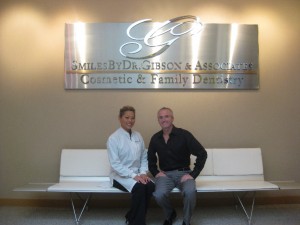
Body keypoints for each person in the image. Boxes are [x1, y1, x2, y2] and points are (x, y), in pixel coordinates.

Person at [148, 107, 207, 225]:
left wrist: (192, 174)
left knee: (190, 192)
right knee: (158, 195)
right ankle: (170, 214)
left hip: (184, 173)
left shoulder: (184, 135)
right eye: (161, 117)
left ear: (172, 118)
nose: (164, 119)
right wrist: (156, 173)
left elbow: (202, 153)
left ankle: (186, 221)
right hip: (165, 175)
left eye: (167, 116)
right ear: (158, 120)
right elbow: (151, 160)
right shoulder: (155, 138)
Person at [107, 106, 154, 225]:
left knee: (150, 186)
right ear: (120, 118)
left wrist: (143, 173)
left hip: (137, 174)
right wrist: (133, 175)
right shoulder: (113, 138)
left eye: (132, 118)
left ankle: (131, 215)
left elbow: (144, 156)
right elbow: (115, 164)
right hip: (120, 176)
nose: (130, 120)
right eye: (127, 117)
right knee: (140, 188)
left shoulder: (138, 135)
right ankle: (138, 222)